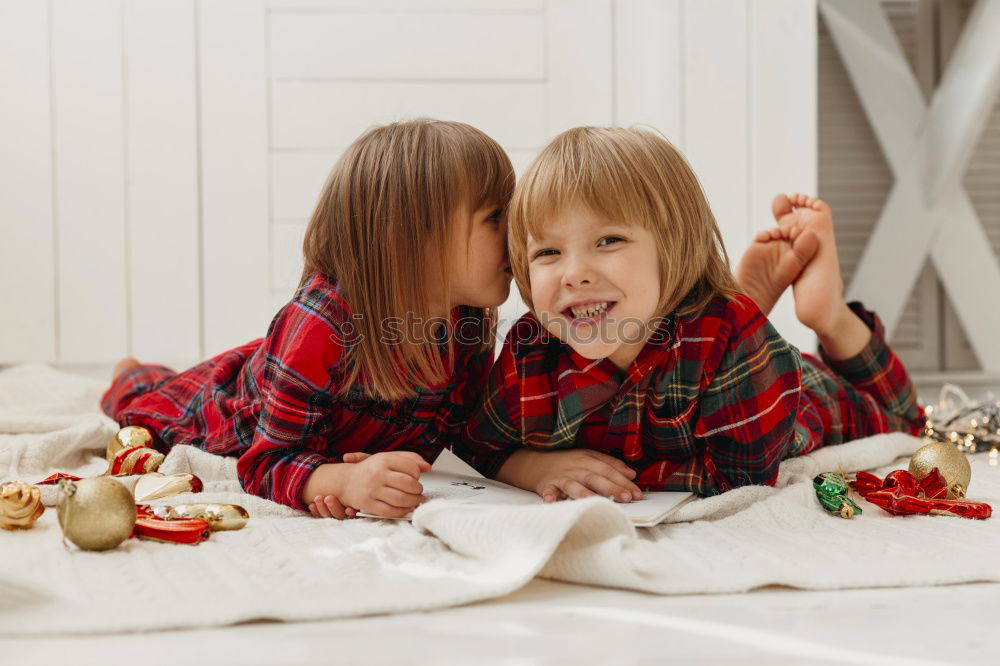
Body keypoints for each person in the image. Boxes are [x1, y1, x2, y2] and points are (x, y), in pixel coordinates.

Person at [454, 126, 923, 503]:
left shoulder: (727, 342)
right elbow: (476, 445)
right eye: (548, 252)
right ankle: (743, 301)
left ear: (673, 247)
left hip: (799, 399)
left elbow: (740, 479)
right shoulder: (532, 348)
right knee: (722, 329)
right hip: (723, 359)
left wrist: (620, 477)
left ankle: (829, 312)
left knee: (905, 418)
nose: (574, 274)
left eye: (609, 241)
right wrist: (531, 467)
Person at [102, 119, 514, 518]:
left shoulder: (467, 327)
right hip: (235, 410)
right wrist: (341, 481)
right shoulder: (321, 327)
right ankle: (130, 373)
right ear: (411, 238)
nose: (516, 231)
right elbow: (264, 465)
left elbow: (470, 436)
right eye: (495, 216)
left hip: (285, 376)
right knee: (149, 404)